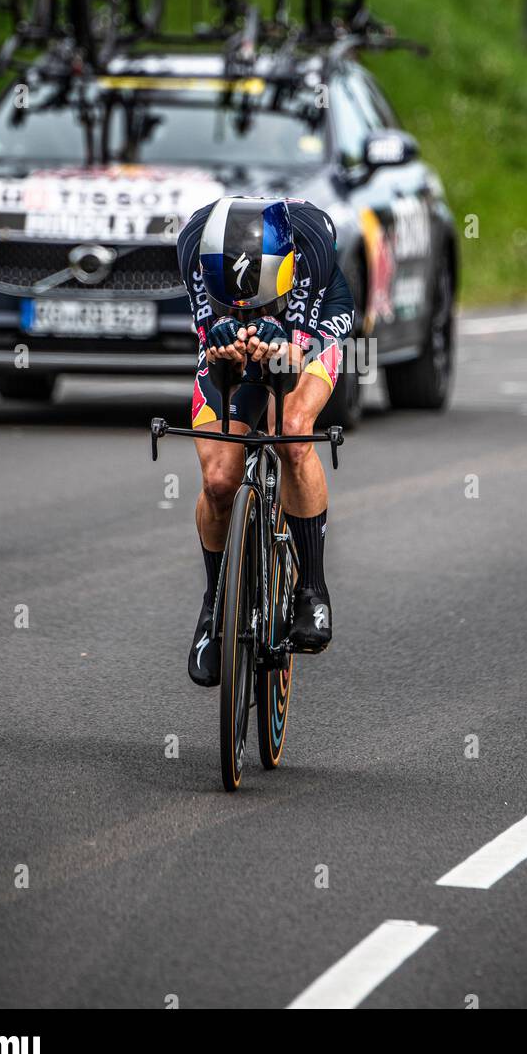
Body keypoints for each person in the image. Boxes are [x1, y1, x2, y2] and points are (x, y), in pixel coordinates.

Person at [177, 196, 355, 687]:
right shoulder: (192, 244)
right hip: (235, 333)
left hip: (309, 325)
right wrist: (224, 336)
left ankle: (312, 590)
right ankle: (215, 603)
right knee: (218, 480)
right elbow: (208, 334)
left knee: (292, 432)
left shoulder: (313, 240)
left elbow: (293, 357)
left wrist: (284, 343)